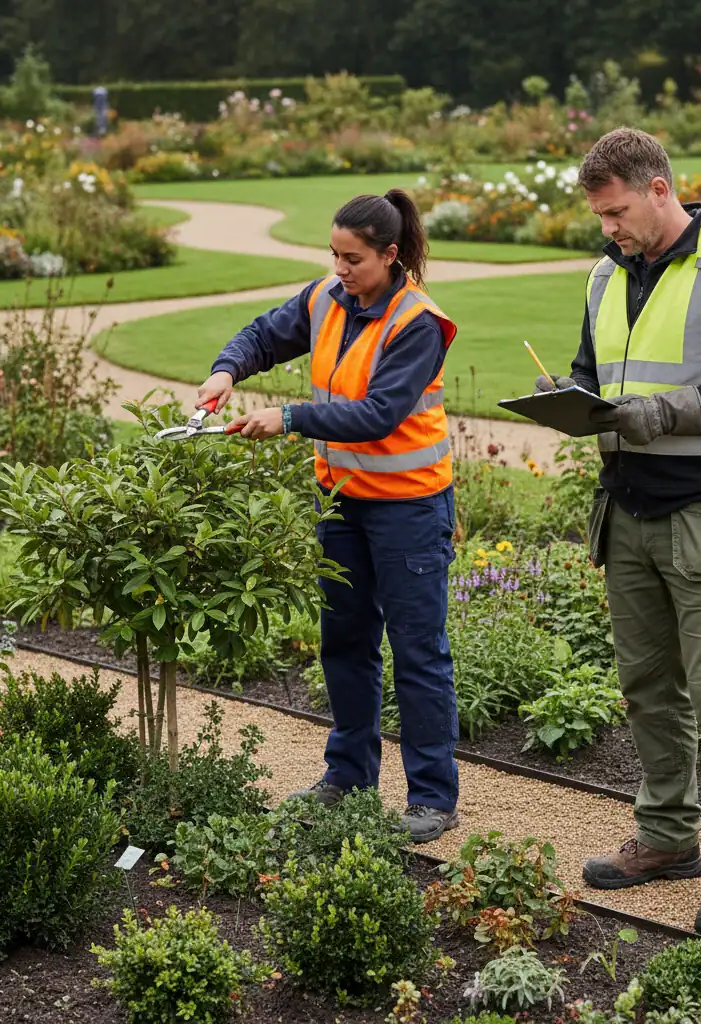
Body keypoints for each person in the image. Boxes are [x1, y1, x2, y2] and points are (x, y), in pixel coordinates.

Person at [537, 127, 701, 937]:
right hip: (629, 510)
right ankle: (667, 838)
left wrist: (665, 413)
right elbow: (595, 374)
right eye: (599, 216)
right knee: (649, 691)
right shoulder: (604, 275)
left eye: (617, 212)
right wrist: (563, 398)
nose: (608, 228)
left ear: (660, 190)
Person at [197, 189, 461, 844]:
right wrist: (227, 370)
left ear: (390, 255)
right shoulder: (326, 298)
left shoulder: (417, 322)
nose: (340, 269)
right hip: (341, 504)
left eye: (354, 259)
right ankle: (347, 777)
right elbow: (264, 333)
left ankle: (432, 797)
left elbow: (379, 415)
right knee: (344, 642)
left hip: (410, 508)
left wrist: (287, 417)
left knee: (417, 651)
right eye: (335, 255)